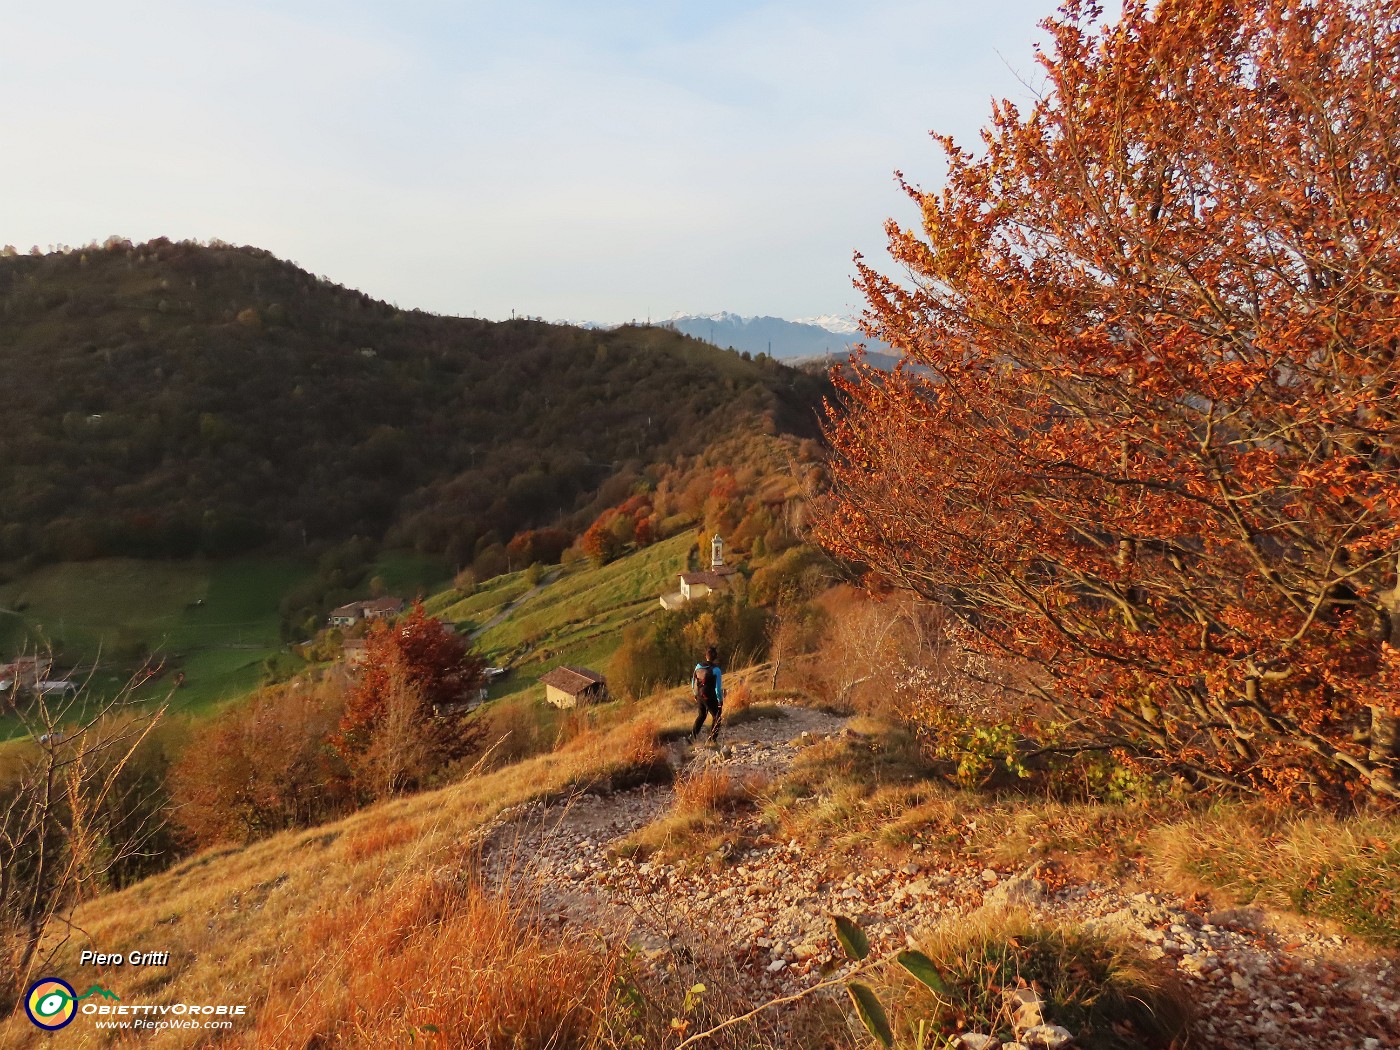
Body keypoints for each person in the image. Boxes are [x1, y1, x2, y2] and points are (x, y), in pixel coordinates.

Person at [691, 645, 724, 744]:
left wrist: (695, 694)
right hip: (709, 696)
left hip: (699, 695)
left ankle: (692, 737)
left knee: (702, 715)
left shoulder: (698, 666)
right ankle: (712, 739)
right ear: (715, 657)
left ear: (706, 656)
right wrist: (720, 700)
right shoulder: (716, 670)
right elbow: (717, 689)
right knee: (717, 716)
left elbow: (693, 682)